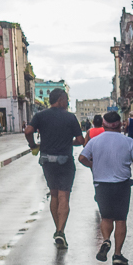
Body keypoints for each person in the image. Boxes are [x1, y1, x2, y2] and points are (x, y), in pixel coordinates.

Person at [79, 110, 133, 265]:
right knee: (121, 219)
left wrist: (93, 165)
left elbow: (82, 158)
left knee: (106, 217)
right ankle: (117, 254)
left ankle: (106, 240)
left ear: (103, 124)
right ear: (120, 125)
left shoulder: (95, 141)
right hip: (122, 185)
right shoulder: (127, 141)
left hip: (101, 185)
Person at [25, 87, 87, 249]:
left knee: (54, 195)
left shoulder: (40, 116)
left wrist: (33, 145)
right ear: (60, 99)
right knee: (64, 196)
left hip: (46, 161)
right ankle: (60, 231)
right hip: (64, 161)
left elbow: (28, 130)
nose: (67, 103)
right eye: (66, 99)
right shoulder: (70, 117)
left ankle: (57, 228)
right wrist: (69, 142)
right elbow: (81, 140)